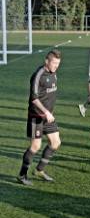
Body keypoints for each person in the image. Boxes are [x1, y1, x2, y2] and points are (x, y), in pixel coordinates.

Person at [17, 50, 62, 185]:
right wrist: (46, 112)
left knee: (56, 142)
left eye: (58, 63)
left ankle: (39, 170)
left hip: (48, 117)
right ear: (46, 61)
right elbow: (34, 99)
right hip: (36, 116)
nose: (56, 66)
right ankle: (22, 175)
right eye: (54, 63)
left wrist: (49, 113)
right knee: (36, 146)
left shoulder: (54, 74)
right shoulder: (38, 75)